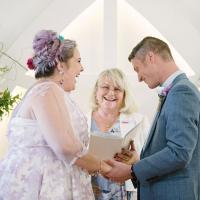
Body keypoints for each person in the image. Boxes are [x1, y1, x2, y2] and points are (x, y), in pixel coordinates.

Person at [0, 30, 111, 200]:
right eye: (78, 61)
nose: (82, 68)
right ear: (60, 63)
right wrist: (103, 167)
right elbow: (66, 146)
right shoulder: (47, 90)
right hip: (45, 187)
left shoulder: (44, 90)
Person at [105, 36, 200, 200]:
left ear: (150, 57)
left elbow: (179, 152)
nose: (139, 77)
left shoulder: (181, 91)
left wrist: (132, 171)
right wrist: (139, 160)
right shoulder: (177, 90)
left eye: (137, 69)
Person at [87, 68, 149, 200]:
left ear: (124, 94)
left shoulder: (139, 121)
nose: (111, 93)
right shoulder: (81, 120)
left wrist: (137, 160)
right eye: (105, 87)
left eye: (117, 89)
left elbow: (151, 160)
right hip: (89, 190)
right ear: (96, 91)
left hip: (124, 192)